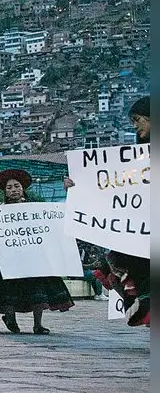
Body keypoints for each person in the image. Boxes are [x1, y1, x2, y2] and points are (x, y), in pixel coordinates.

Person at [0, 169, 74, 334]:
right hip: (8, 256)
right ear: (4, 191)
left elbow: (56, 219)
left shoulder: (35, 208)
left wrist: (69, 191)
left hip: (33, 255)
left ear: (23, 188)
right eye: (9, 187)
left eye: (16, 186)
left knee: (37, 288)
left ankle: (38, 324)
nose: (13, 189)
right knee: (8, 288)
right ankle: (10, 318)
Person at [91, 96, 150, 327]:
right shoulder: (137, 158)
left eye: (138, 120)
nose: (135, 126)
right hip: (142, 228)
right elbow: (116, 183)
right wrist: (79, 185)